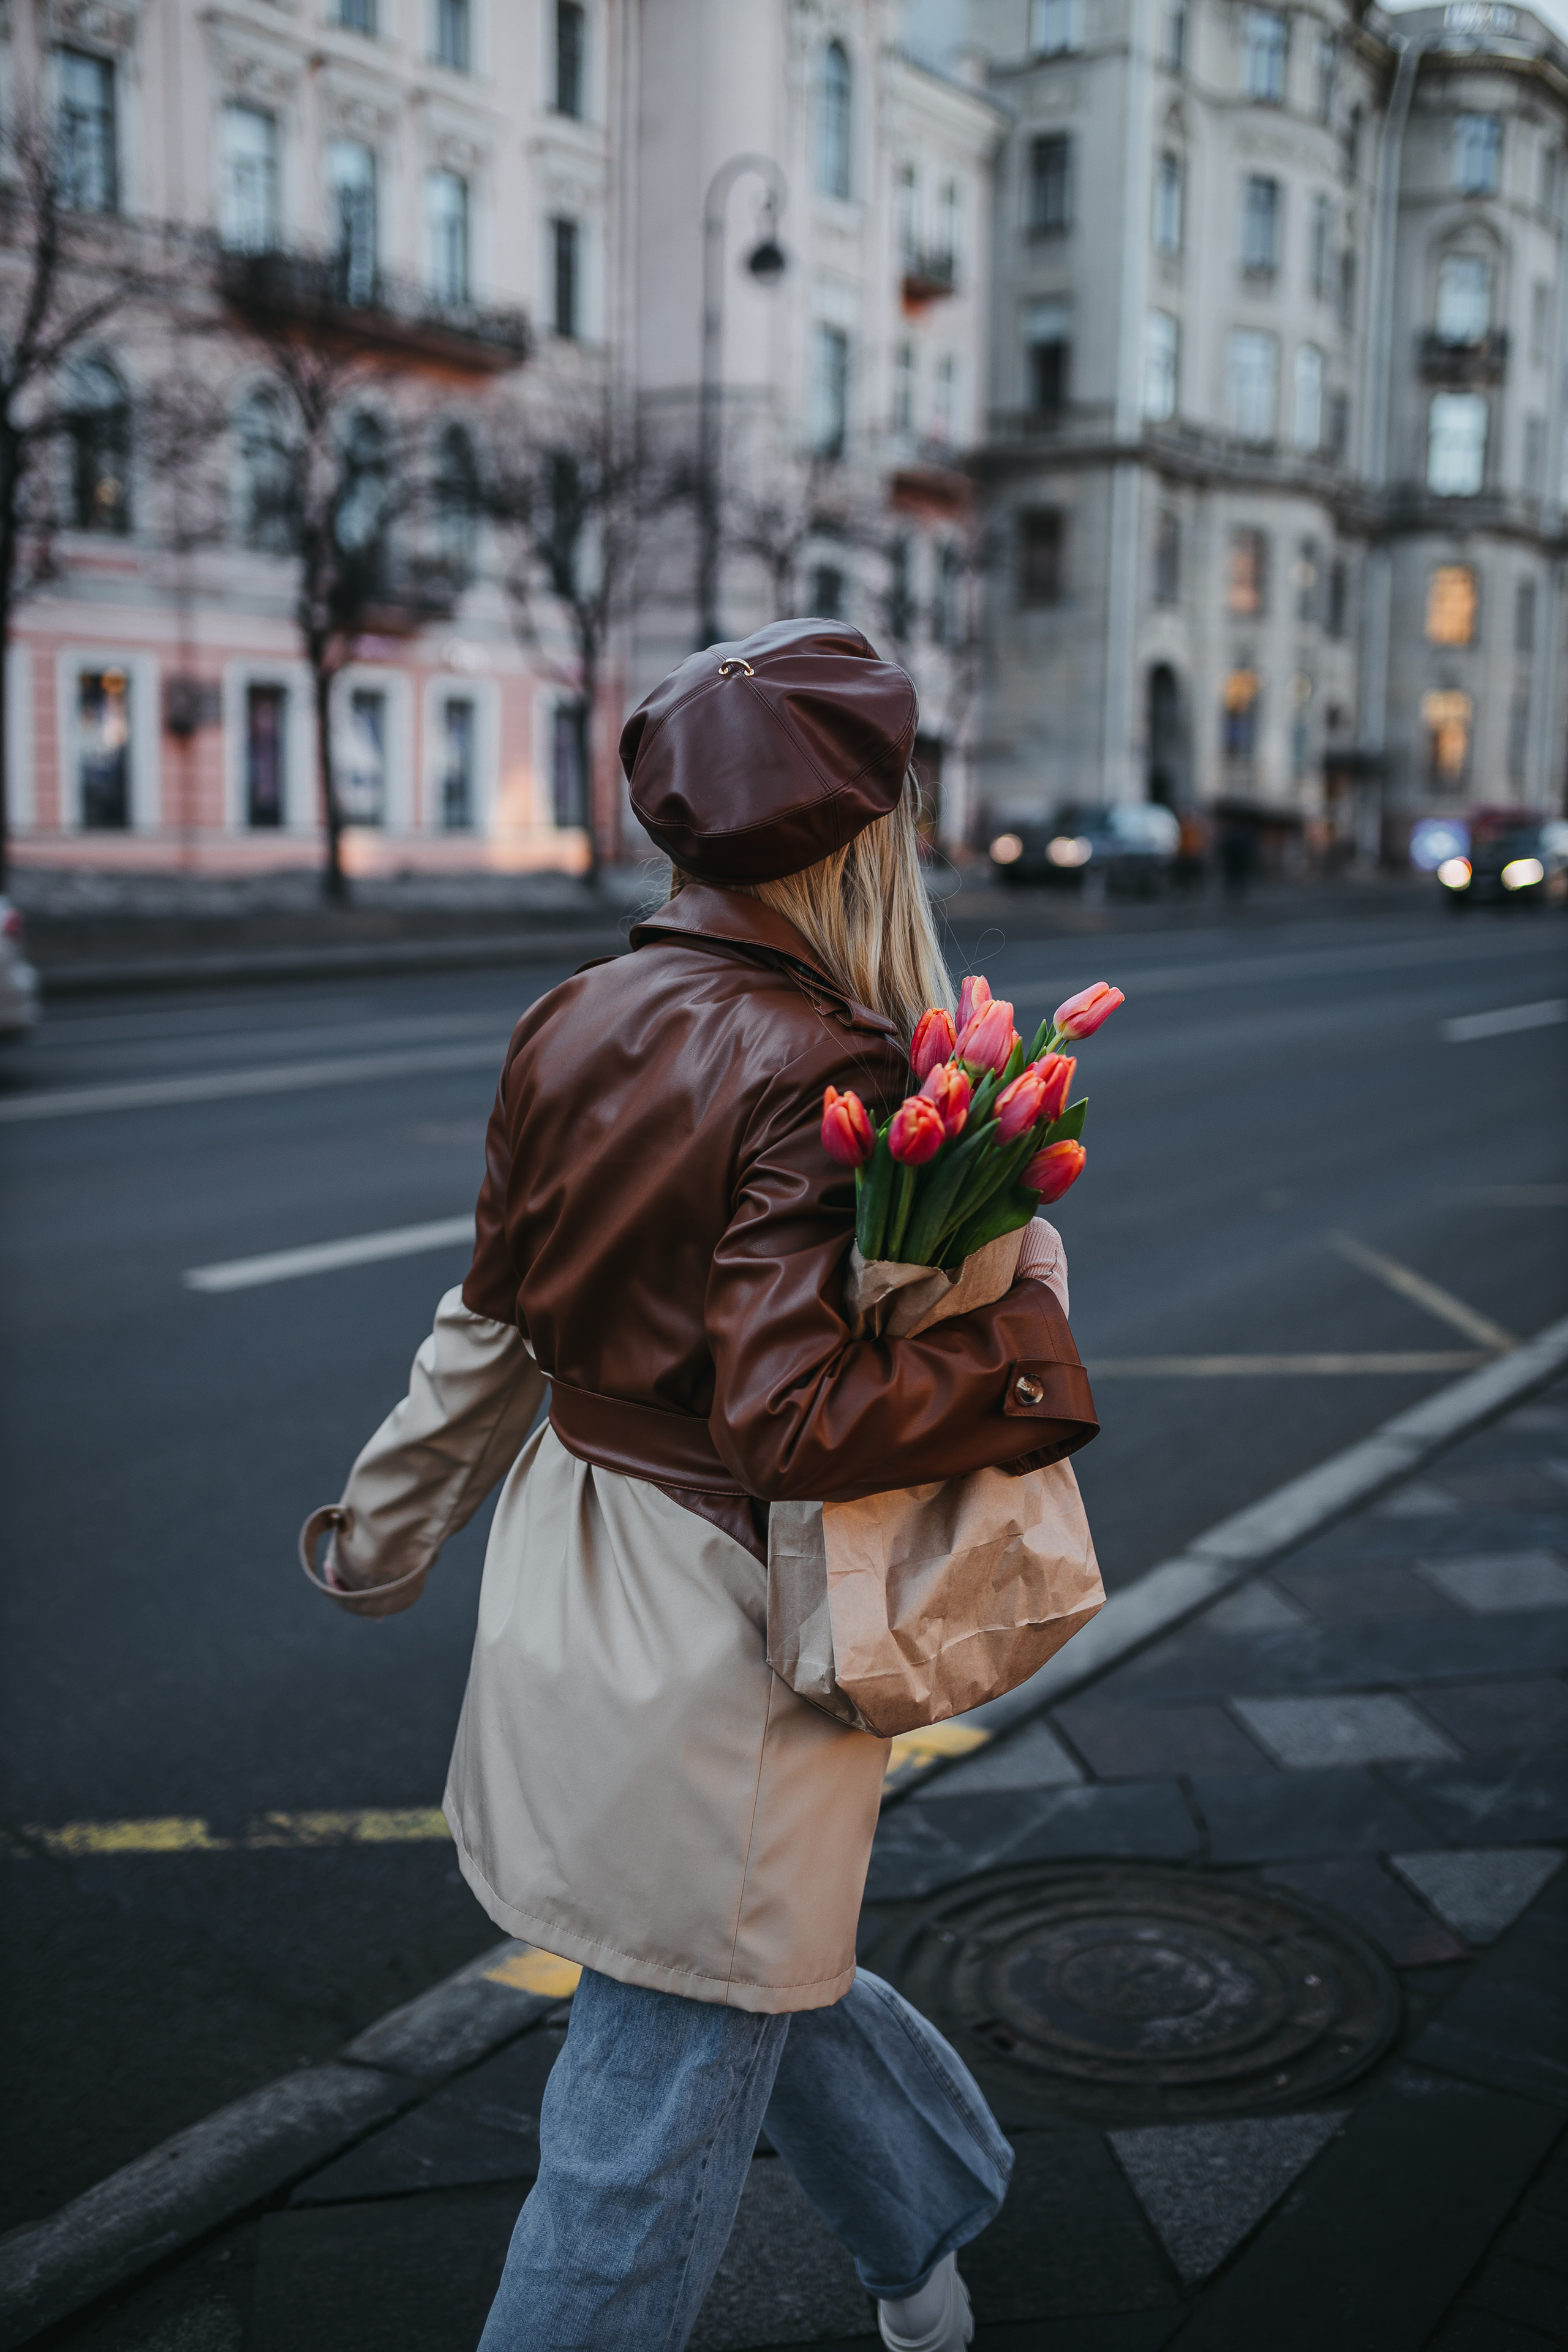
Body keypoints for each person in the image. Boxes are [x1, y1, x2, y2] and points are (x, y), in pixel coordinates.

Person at [310, 620, 1099, 2351]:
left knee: (736, 1972)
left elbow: (490, 1321)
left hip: (571, 1570)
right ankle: (928, 2249)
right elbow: (797, 1424)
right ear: (860, 840)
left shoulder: (570, 1015)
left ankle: (924, 2243)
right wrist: (1028, 1338)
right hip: (727, 1633)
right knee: (647, 2113)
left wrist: (384, 1526)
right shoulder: (829, 1062)